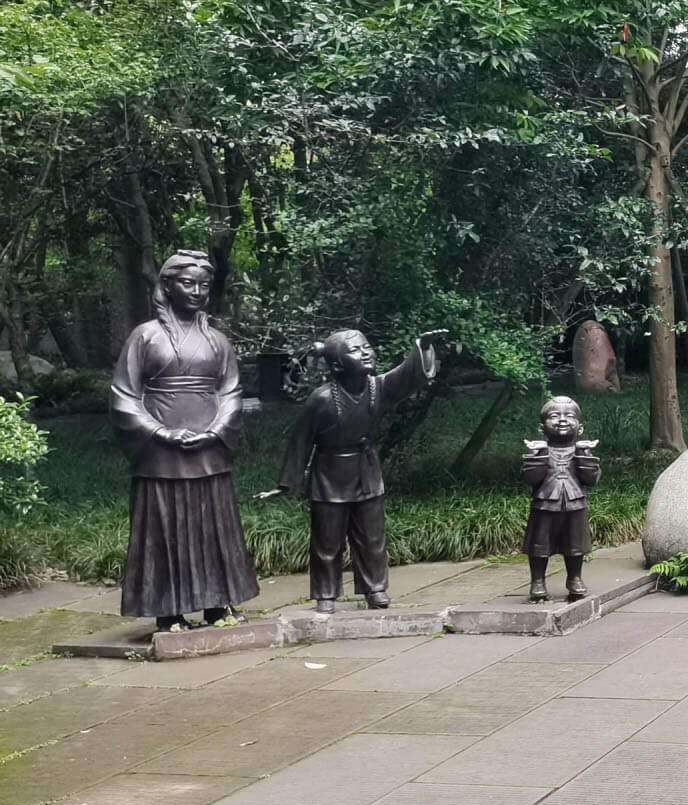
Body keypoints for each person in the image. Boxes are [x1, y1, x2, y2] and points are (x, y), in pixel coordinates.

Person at [110, 250, 259, 631]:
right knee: (166, 531)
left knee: (214, 528)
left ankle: (217, 605)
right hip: (161, 451)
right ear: (168, 286)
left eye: (204, 285)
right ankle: (169, 611)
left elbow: (231, 392)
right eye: (188, 283)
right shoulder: (145, 336)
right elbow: (124, 395)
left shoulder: (218, 342)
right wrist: (160, 431)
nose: (196, 291)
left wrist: (216, 429)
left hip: (209, 449)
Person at [258, 328, 448, 612]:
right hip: (329, 475)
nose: (367, 353)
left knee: (372, 538)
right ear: (337, 364)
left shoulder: (378, 387)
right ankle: (325, 593)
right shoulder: (321, 399)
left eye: (367, 347)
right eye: (356, 350)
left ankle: (375, 588)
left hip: (365, 471)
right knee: (327, 542)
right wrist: (287, 482)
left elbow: (408, 376)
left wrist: (421, 346)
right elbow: (300, 442)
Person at [521, 396, 601, 602]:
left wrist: (584, 454)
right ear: (541, 428)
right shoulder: (540, 451)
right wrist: (539, 455)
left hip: (575, 504)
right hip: (544, 504)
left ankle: (574, 578)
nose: (563, 420)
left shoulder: (581, 450)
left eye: (569, 416)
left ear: (580, 428)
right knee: (539, 545)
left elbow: (591, 480)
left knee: (575, 544)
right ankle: (537, 581)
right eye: (555, 416)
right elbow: (531, 478)